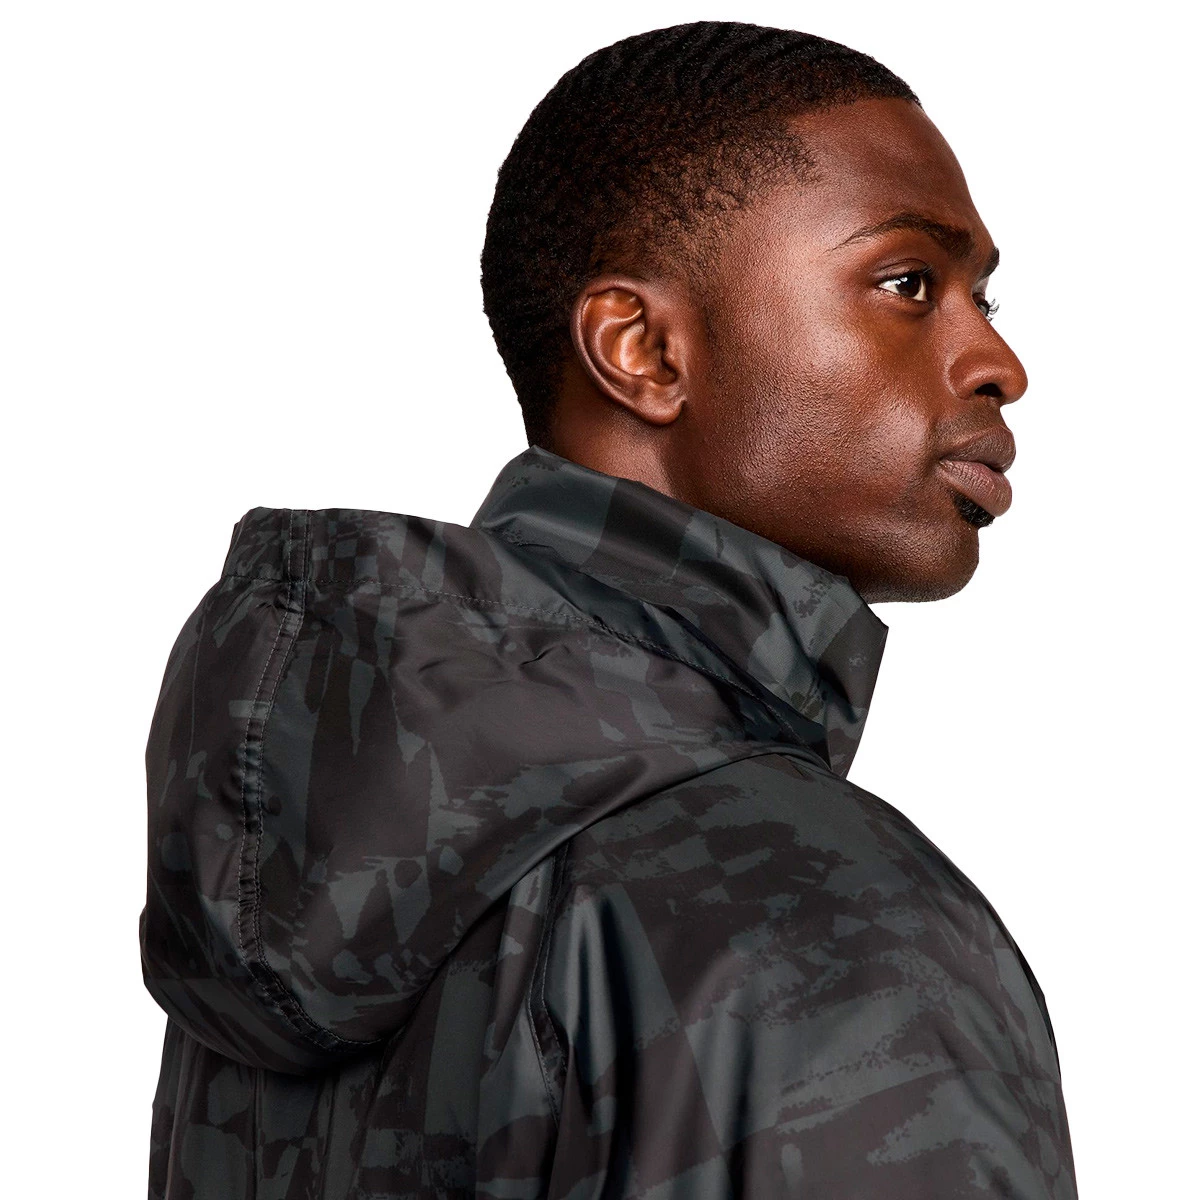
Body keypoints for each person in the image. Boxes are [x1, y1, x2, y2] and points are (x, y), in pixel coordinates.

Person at [140, 21, 1076, 1198]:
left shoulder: (311, 876)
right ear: (643, 350)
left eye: (986, 296)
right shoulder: (823, 917)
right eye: (908, 285)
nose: (997, 362)